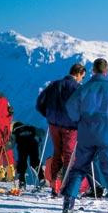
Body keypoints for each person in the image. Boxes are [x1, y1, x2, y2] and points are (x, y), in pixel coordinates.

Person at [61, 58, 108, 213]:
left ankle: (68, 202)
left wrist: (79, 120)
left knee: (80, 167)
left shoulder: (85, 88)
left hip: (86, 133)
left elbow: (71, 107)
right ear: (107, 71)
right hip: (107, 135)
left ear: (93, 71)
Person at [36, 63, 86, 197]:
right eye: (83, 76)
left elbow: (40, 103)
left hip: (54, 125)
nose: (82, 79)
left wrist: (49, 115)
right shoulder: (78, 88)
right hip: (70, 126)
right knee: (69, 156)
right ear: (79, 74)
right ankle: (67, 186)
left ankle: (55, 185)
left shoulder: (54, 84)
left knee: (57, 153)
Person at [11, 121, 46, 189]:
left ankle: (22, 181)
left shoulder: (15, 131)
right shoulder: (30, 128)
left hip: (22, 147)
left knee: (22, 163)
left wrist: (3, 147)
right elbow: (42, 133)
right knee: (35, 161)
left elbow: (11, 143)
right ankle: (41, 177)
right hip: (33, 145)